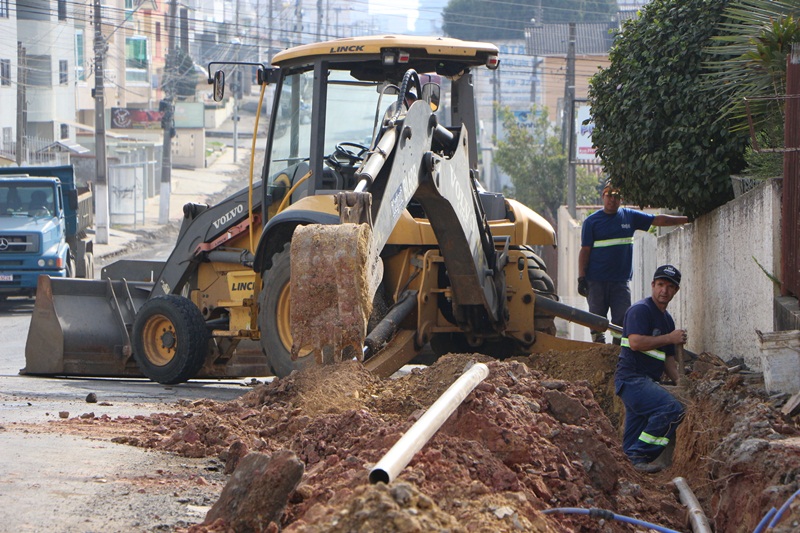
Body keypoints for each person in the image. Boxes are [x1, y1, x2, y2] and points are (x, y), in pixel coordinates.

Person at [578, 180, 689, 343]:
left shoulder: (629, 217)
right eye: (609, 195)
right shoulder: (591, 222)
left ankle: (617, 352)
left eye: (616, 196)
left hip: (620, 282)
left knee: (622, 320)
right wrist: (581, 278)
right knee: (595, 319)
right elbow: (585, 251)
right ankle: (597, 348)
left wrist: (686, 219)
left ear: (621, 199)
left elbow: (658, 220)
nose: (612, 200)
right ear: (603, 196)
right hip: (596, 280)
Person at [615, 264, 687, 473]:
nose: (664, 290)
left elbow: (668, 360)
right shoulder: (641, 310)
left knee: (628, 448)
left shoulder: (667, 320)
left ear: (676, 291)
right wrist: (670, 338)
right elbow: (636, 343)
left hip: (644, 383)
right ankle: (641, 455)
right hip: (632, 380)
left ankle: (629, 467)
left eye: (670, 287)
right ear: (653, 285)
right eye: (661, 285)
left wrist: (681, 384)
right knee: (672, 410)